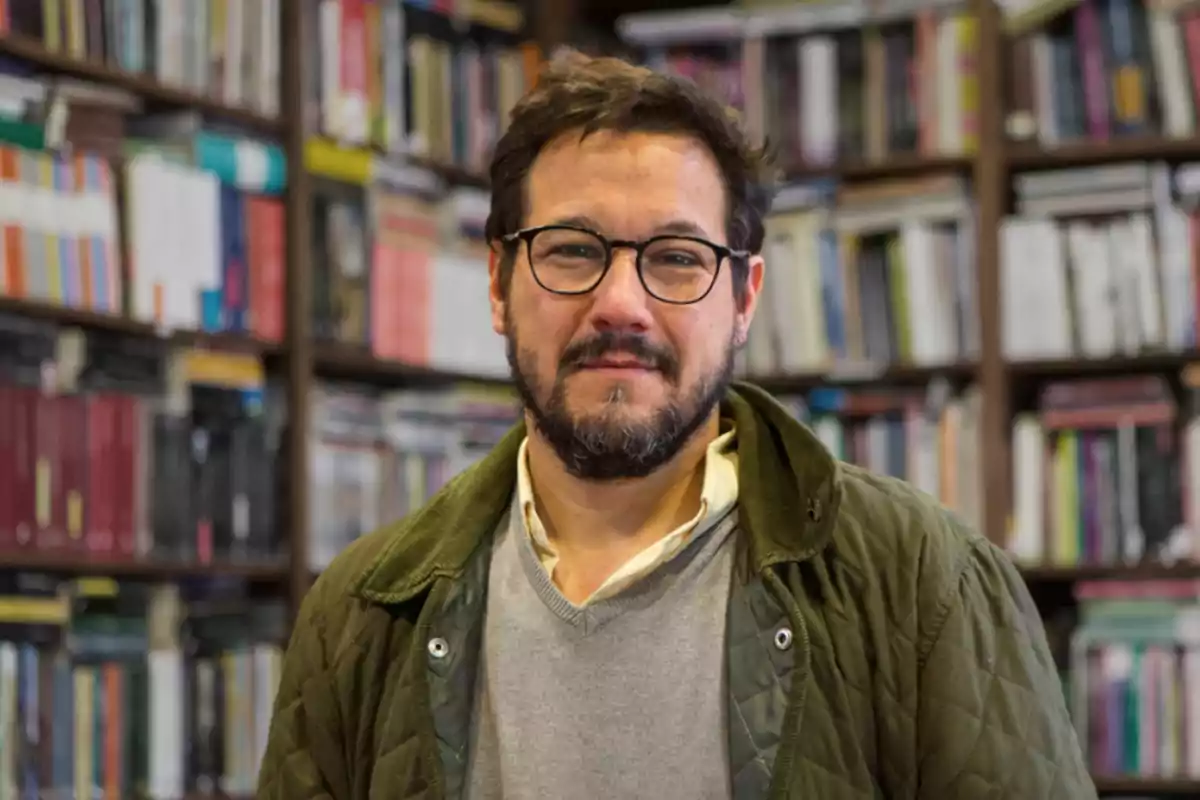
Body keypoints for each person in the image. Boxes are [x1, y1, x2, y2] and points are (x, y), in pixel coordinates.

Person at [255, 51, 1095, 800]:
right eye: (573, 250)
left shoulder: (924, 585)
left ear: (745, 298)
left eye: (677, 258)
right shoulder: (360, 616)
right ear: (499, 282)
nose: (621, 304)